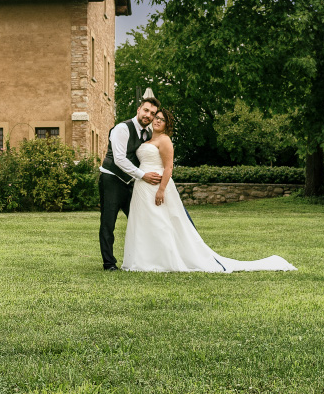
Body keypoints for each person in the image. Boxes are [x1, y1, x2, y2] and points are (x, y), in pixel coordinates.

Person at [123, 110, 295, 273]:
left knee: (161, 222)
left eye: (162, 119)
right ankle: (143, 259)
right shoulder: (146, 140)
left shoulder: (165, 140)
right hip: (142, 186)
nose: (158, 120)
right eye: (157, 117)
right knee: (144, 221)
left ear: (167, 124)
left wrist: (161, 190)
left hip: (158, 185)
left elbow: (168, 167)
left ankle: (164, 259)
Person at [98, 97, 162, 271]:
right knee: (108, 222)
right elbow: (119, 159)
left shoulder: (148, 134)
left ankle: (143, 259)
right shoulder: (122, 128)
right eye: (146, 110)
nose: (148, 115)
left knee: (140, 220)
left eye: (153, 113)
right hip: (111, 179)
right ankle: (109, 263)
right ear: (139, 109)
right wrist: (143, 176)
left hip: (131, 182)